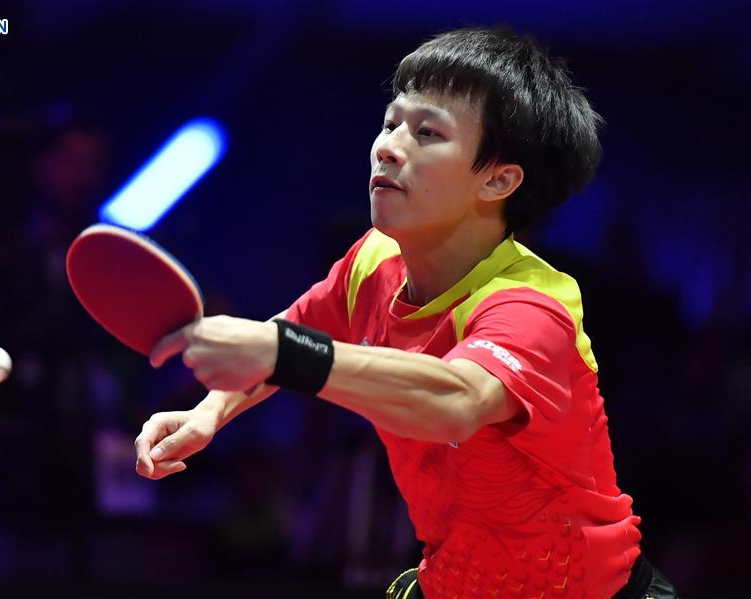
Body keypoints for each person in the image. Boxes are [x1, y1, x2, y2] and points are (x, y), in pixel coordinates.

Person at [133, 27, 678, 598]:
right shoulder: (375, 260)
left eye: (427, 133)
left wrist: (281, 355)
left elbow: (456, 401)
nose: (388, 146)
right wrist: (210, 412)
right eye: (391, 123)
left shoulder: (531, 305)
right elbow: (294, 331)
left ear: (498, 179)